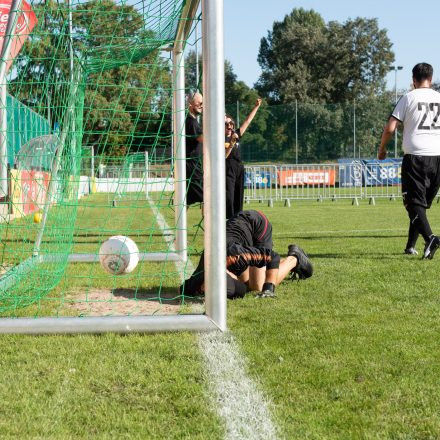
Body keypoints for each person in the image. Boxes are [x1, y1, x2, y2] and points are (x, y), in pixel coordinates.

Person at [378, 62, 440, 259]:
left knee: (413, 204)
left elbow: (390, 128)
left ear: (413, 80)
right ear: (430, 78)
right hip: (437, 158)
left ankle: (431, 238)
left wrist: (382, 149)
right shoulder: (439, 98)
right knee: (419, 205)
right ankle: (410, 246)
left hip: (415, 157)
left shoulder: (408, 97)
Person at [179, 210, 313, 299]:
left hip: (257, 226)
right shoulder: (206, 265)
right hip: (237, 233)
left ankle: (294, 258)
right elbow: (184, 288)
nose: (204, 290)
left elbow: (273, 257)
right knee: (246, 282)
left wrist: (269, 288)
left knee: (257, 286)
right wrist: (198, 287)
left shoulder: (236, 255)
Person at [225, 98, 262, 219]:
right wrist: (231, 142)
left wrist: (256, 107)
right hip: (227, 169)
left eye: (231, 124)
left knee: (238, 196)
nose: (230, 126)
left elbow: (247, 121)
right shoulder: (220, 137)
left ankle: (237, 221)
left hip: (239, 168)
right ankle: (228, 220)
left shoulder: (236, 134)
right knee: (229, 197)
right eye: (226, 124)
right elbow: (224, 155)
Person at [185, 92, 204, 206]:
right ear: (190, 104)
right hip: (192, 166)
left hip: (190, 165)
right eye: (199, 103)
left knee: (186, 200)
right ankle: (210, 224)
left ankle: (179, 224)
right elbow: (204, 140)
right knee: (207, 198)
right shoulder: (191, 122)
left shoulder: (191, 120)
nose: (202, 105)